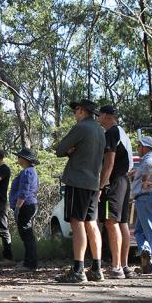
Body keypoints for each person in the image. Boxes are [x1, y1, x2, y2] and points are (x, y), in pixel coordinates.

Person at [55, 99, 106, 283]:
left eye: (76, 110)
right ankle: (97, 269)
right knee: (91, 223)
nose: (75, 114)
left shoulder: (81, 127)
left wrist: (70, 151)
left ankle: (78, 270)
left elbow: (59, 149)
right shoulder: (101, 131)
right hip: (93, 182)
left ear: (82, 111)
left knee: (77, 223)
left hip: (77, 181)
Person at [98, 105, 134, 279]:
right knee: (122, 223)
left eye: (99, 115)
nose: (98, 118)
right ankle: (124, 266)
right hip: (125, 180)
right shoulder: (122, 132)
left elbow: (109, 163)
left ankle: (116, 267)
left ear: (105, 115)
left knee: (111, 222)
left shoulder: (111, 132)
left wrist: (100, 186)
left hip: (115, 181)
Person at [130, 136, 152, 274]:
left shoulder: (149, 157)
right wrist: (136, 173)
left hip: (147, 198)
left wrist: (144, 180)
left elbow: (149, 165)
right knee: (139, 231)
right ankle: (145, 251)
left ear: (145, 147)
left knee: (151, 232)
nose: (138, 149)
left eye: (139, 146)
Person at [8, 148, 40, 271]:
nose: (18, 158)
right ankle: (29, 261)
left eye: (19, 157)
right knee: (27, 235)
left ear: (25, 159)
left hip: (26, 206)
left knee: (27, 235)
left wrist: (18, 207)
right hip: (28, 205)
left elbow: (24, 191)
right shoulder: (29, 171)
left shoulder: (28, 172)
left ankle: (30, 264)